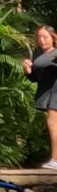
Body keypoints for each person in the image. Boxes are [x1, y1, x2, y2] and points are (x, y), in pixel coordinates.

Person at [22, 24, 57, 170]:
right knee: (52, 124)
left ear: (53, 38)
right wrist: (28, 71)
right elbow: (35, 78)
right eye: (39, 37)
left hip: (56, 91)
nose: (41, 40)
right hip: (46, 92)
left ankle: (55, 160)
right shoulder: (37, 54)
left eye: (45, 37)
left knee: (52, 123)